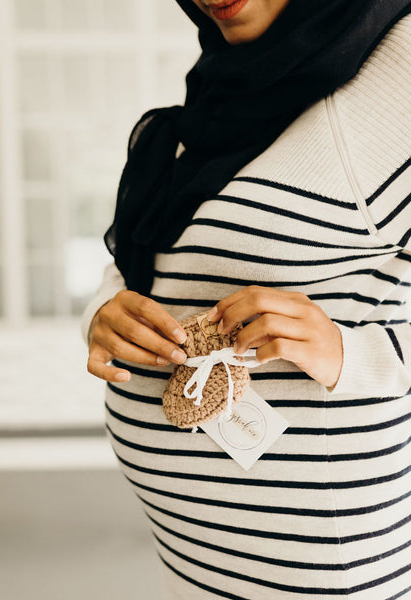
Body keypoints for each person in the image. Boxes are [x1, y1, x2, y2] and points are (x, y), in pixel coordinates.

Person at [83, 0, 411, 597]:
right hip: (195, 552)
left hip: (322, 561)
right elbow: (155, 255)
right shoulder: (218, 88)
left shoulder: (401, 63)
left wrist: (349, 352)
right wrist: (103, 313)